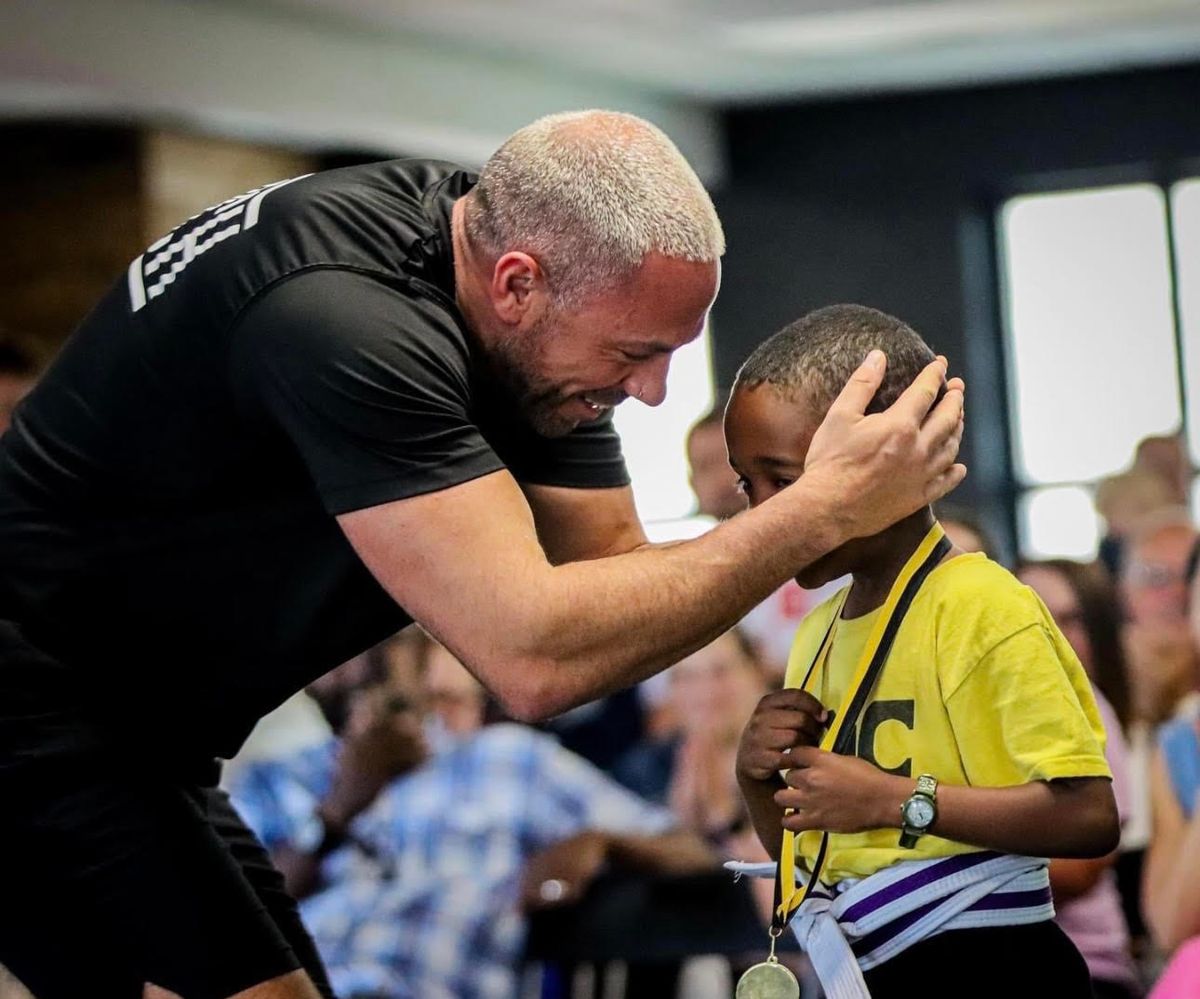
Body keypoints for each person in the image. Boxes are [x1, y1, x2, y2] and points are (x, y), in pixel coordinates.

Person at [0, 110, 964, 999]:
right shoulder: (349, 322)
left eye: (672, 350)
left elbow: (611, 580)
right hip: (33, 719)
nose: (657, 392)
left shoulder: (528, 304)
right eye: (635, 351)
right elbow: (533, 659)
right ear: (515, 284)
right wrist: (817, 512)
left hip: (147, 742)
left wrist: (826, 530)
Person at [729, 304, 1117, 997]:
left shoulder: (981, 603)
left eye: (782, 481)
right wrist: (757, 781)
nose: (762, 512)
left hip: (1000, 971)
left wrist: (898, 799)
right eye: (744, 484)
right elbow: (817, 855)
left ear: (887, 457)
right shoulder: (817, 633)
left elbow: (1089, 816)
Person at [229, 637, 717, 999]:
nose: (357, 667)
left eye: (384, 646)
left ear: (421, 655)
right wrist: (337, 812)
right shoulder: (271, 781)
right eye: (339, 652)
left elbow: (696, 853)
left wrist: (605, 842)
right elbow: (227, 921)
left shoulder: (507, 760)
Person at [1017, 559, 1140, 999]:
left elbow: (1082, 867)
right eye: (1030, 616)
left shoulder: (1088, 708)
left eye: (1069, 619)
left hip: (1085, 968)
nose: (1048, 635)